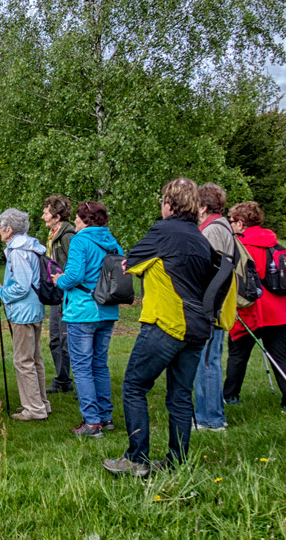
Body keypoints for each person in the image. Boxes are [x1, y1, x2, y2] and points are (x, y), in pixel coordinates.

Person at [103, 178, 222, 477]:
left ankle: (136, 458)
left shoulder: (163, 230)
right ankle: (177, 462)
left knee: (134, 386)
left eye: (162, 201)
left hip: (167, 322)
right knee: (180, 396)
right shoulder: (199, 237)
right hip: (198, 328)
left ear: (168, 203)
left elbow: (130, 262)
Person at [51, 201, 122, 438]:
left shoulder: (81, 240)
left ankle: (91, 422)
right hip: (107, 308)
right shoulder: (112, 242)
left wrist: (58, 280)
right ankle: (105, 416)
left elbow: (74, 275)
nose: (76, 222)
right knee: (99, 364)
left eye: (79, 218)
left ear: (84, 219)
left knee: (82, 367)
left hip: (83, 309)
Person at [224, 201, 286, 413]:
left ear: (240, 223)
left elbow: (239, 282)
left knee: (238, 354)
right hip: (280, 311)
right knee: (280, 356)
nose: (229, 224)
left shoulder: (242, 246)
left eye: (231, 220)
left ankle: (230, 397)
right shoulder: (273, 241)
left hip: (253, 311)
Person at [0, 208, 51, 422]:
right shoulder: (30, 247)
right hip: (34, 308)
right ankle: (41, 402)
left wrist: (1, 291)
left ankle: (34, 408)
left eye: (0, 227)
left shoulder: (18, 251)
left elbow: (22, 286)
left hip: (23, 311)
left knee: (23, 360)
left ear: (9, 229)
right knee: (34, 359)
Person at [193, 183, 237, 431]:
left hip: (211, 306)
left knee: (207, 362)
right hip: (214, 305)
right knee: (209, 360)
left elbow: (215, 274)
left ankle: (211, 419)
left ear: (204, 206)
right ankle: (208, 414)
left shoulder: (213, 230)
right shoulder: (219, 227)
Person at [43, 194, 76, 394]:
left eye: (46, 213)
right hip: (57, 291)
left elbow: (74, 264)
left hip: (66, 292)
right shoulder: (54, 235)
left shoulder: (67, 236)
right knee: (55, 337)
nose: (43, 217)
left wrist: (62, 278)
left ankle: (67, 380)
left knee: (63, 337)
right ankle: (62, 378)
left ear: (57, 215)